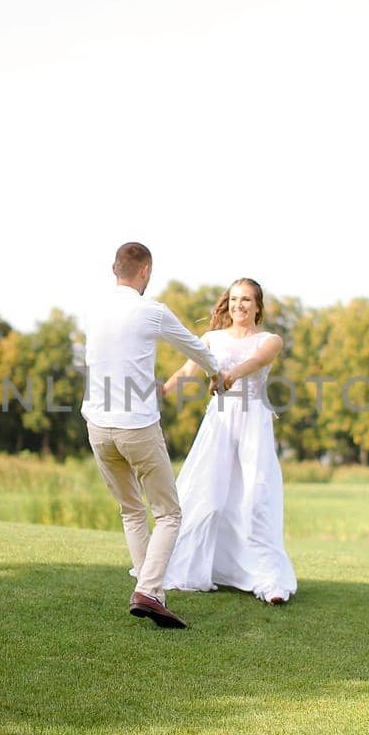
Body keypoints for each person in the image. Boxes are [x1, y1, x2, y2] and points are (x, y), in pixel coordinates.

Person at [81, 241, 223, 630]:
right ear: (144, 272)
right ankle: (147, 590)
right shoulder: (151, 311)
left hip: (97, 427)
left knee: (130, 510)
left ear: (115, 269)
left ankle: (151, 592)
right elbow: (194, 346)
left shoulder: (92, 311)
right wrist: (215, 372)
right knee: (169, 512)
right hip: (136, 427)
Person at [162, 278, 297, 605]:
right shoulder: (211, 339)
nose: (240, 305)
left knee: (255, 497)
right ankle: (197, 568)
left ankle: (269, 582)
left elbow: (256, 362)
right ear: (228, 303)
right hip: (220, 423)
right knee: (208, 495)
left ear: (257, 306)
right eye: (235, 299)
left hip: (253, 423)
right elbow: (187, 371)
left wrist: (230, 376)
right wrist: (160, 392)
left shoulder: (271, 340)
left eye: (247, 300)